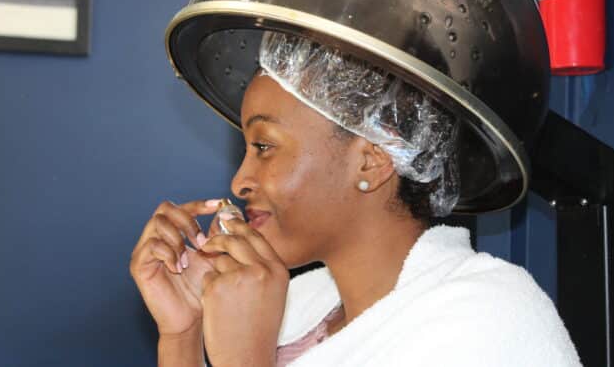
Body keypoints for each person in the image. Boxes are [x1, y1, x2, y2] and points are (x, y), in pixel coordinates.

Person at [130, 32, 582, 366]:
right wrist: (183, 335)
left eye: (264, 146)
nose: (240, 181)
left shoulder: (488, 320)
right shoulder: (296, 304)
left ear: (370, 160)